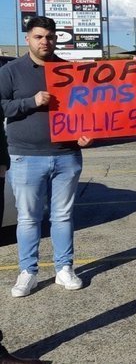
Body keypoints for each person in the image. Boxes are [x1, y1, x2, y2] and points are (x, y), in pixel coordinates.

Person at [0, 16, 92, 298]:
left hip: (67, 155)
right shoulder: (11, 71)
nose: (45, 42)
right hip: (25, 156)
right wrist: (31, 102)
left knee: (63, 215)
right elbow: (1, 105)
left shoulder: (68, 70)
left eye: (50, 37)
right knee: (28, 218)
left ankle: (64, 268)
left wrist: (87, 134)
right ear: (27, 38)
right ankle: (28, 271)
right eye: (39, 36)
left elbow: (86, 109)